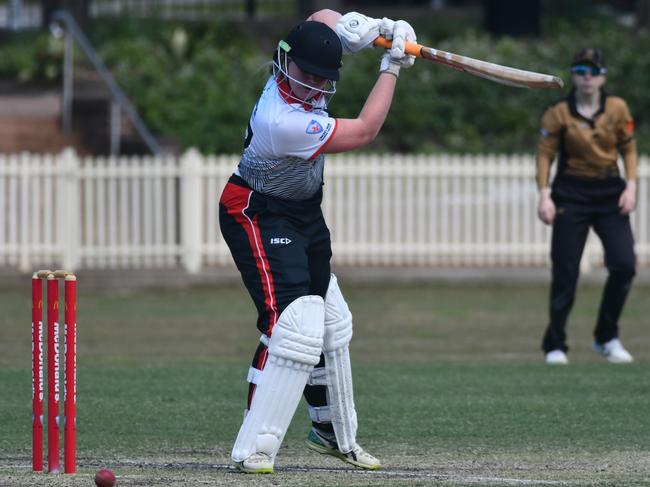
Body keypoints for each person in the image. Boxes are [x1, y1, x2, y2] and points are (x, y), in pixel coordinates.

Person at [219, 10, 416, 473]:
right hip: (256, 210)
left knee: (333, 322)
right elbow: (365, 130)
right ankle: (253, 446)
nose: (312, 87)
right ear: (285, 62)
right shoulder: (280, 119)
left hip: (303, 211)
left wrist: (373, 29)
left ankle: (330, 432)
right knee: (291, 325)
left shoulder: (303, 60)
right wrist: (392, 65)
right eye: (306, 76)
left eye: (321, 79)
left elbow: (320, 20)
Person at [536, 48, 637, 365]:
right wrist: (544, 194)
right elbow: (545, 155)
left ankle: (606, 337)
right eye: (580, 70)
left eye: (593, 71)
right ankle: (555, 345)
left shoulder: (617, 108)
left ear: (603, 76)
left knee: (624, 265)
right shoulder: (558, 113)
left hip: (610, 193)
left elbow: (629, 149)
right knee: (566, 272)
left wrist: (631, 187)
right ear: (573, 75)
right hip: (571, 194)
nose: (587, 76)